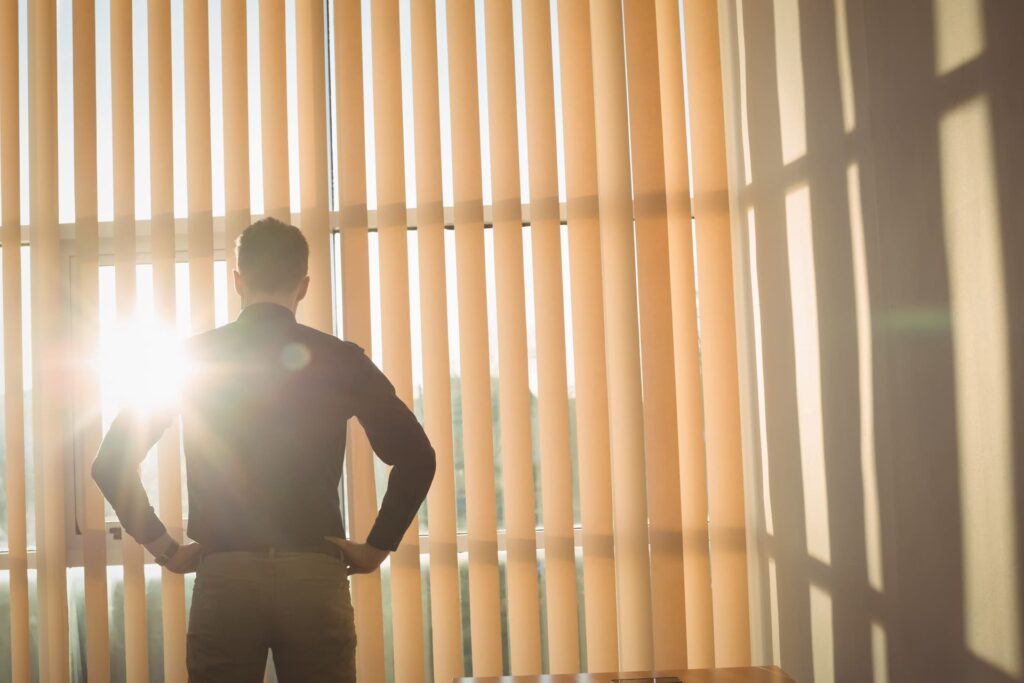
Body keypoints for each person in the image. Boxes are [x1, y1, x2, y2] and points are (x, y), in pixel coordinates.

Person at [92, 217, 436, 682]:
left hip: (226, 576)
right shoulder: (340, 358)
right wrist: (376, 548)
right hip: (315, 577)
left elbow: (111, 462)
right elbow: (417, 456)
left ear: (238, 280)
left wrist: (166, 548)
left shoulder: (191, 359)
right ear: (305, 285)